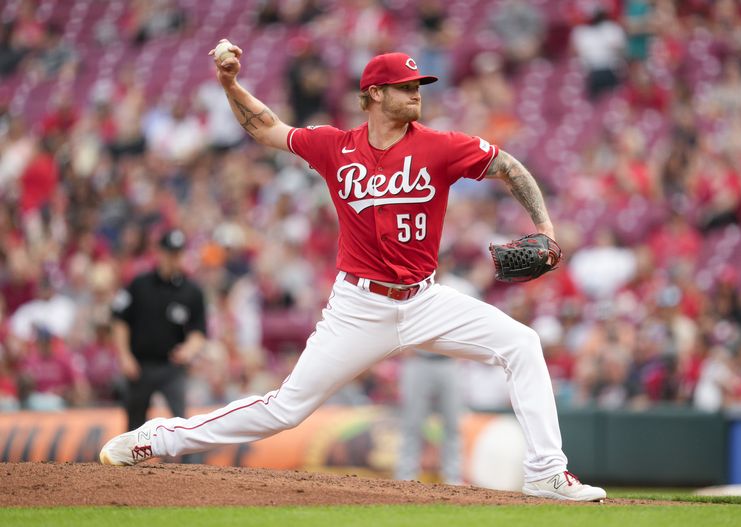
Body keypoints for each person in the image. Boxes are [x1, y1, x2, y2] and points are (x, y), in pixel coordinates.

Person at [100, 41, 606, 502]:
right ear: (374, 94)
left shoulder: (441, 146)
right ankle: (158, 438)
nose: (416, 94)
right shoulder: (334, 146)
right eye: (405, 88)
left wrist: (545, 226)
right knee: (286, 410)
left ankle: (545, 472)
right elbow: (266, 128)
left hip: (426, 300)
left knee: (522, 344)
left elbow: (510, 167)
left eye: (418, 86)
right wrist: (231, 84)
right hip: (360, 306)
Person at [110, 228, 207, 431]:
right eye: (170, 253)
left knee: (181, 421)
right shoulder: (139, 285)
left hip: (171, 366)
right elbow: (119, 320)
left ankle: (188, 463)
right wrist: (124, 356)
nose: (174, 258)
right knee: (134, 422)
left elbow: (199, 331)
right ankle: (131, 461)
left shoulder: (192, 292)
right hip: (140, 366)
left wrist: (189, 349)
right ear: (160, 253)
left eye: (178, 253)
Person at [395, 349, 463, 485]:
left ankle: (453, 479)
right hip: (418, 360)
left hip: (447, 361)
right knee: (412, 424)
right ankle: (405, 477)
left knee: (453, 424)